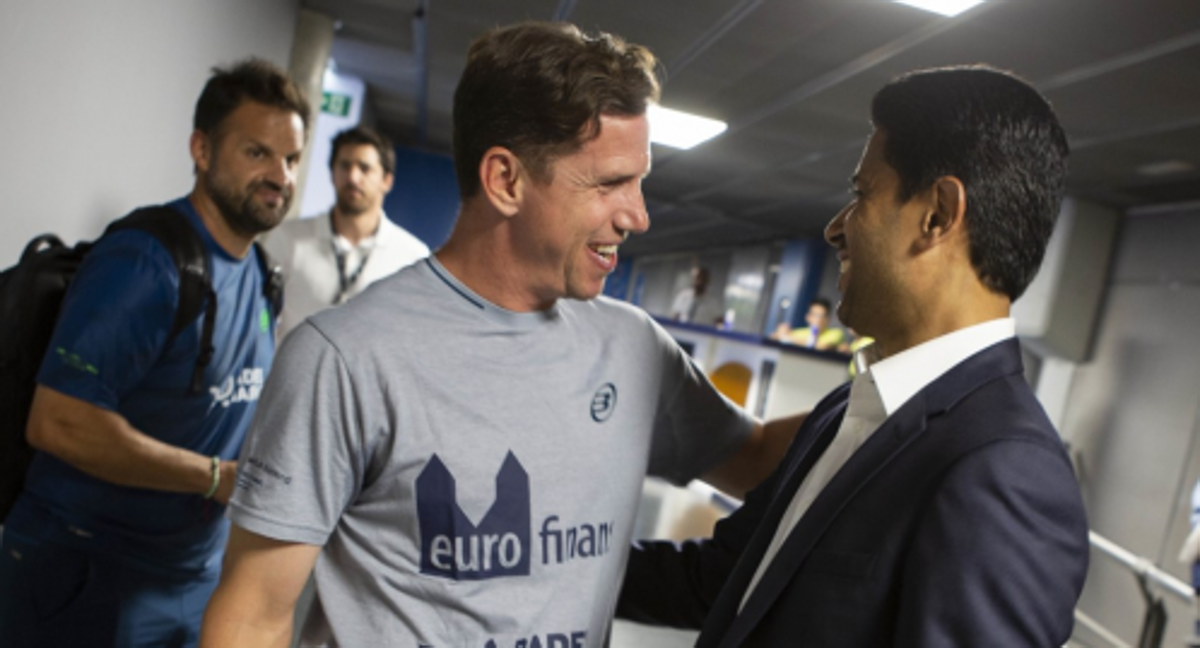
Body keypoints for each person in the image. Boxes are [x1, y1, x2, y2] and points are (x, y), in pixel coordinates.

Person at [200, 22, 802, 648]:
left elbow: (758, 458)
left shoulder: (636, 349)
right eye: (609, 183)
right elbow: (253, 613)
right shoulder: (344, 359)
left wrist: (901, 384)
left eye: (639, 181)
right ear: (506, 181)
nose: (638, 216)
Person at [617, 65, 1089, 646]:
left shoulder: (1003, 470)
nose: (835, 228)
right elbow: (726, 581)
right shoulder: (849, 409)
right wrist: (550, 559)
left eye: (862, 194)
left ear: (937, 214)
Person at [0, 59, 309, 647]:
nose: (279, 175)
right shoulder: (146, 262)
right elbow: (59, 420)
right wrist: (214, 477)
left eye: (291, 159)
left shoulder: (262, 275)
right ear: (201, 149)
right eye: (256, 153)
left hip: (189, 577)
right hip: (85, 568)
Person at [263, 126, 430, 339]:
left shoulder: (412, 258)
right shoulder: (288, 238)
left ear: (386, 181)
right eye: (344, 165)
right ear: (332, 173)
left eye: (364, 168)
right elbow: (258, 316)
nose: (352, 177)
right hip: (287, 371)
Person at [771, 296, 844, 350]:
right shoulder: (799, 332)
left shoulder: (836, 333)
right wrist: (780, 333)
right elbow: (774, 338)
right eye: (815, 315)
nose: (818, 319)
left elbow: (822, 346)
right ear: (808, 317)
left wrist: (787, 338)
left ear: (828, 319)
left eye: (822, 316)